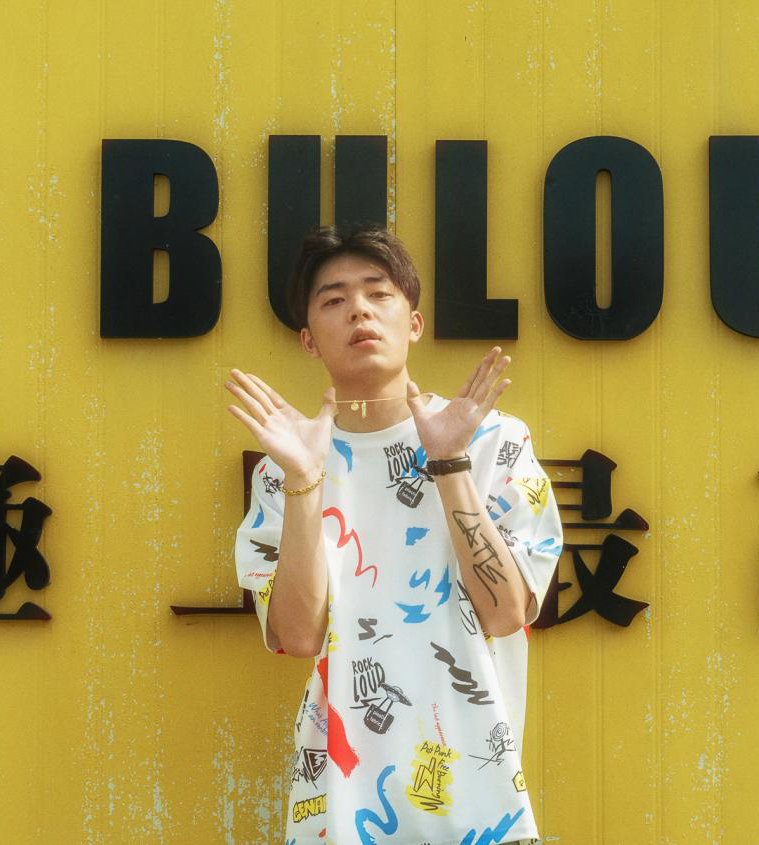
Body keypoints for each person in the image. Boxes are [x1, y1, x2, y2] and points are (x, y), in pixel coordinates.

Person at [228, 223, 561, 845]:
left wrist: (449, 462)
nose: (359, 309)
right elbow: (298, 636)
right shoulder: (284, 467)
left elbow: (506, 612)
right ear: (308, 340)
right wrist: (304, 479)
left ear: (414, 322)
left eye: (378, 293)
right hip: (336, 810)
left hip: (482, 805)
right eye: (334, 299)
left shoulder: (495, 439)